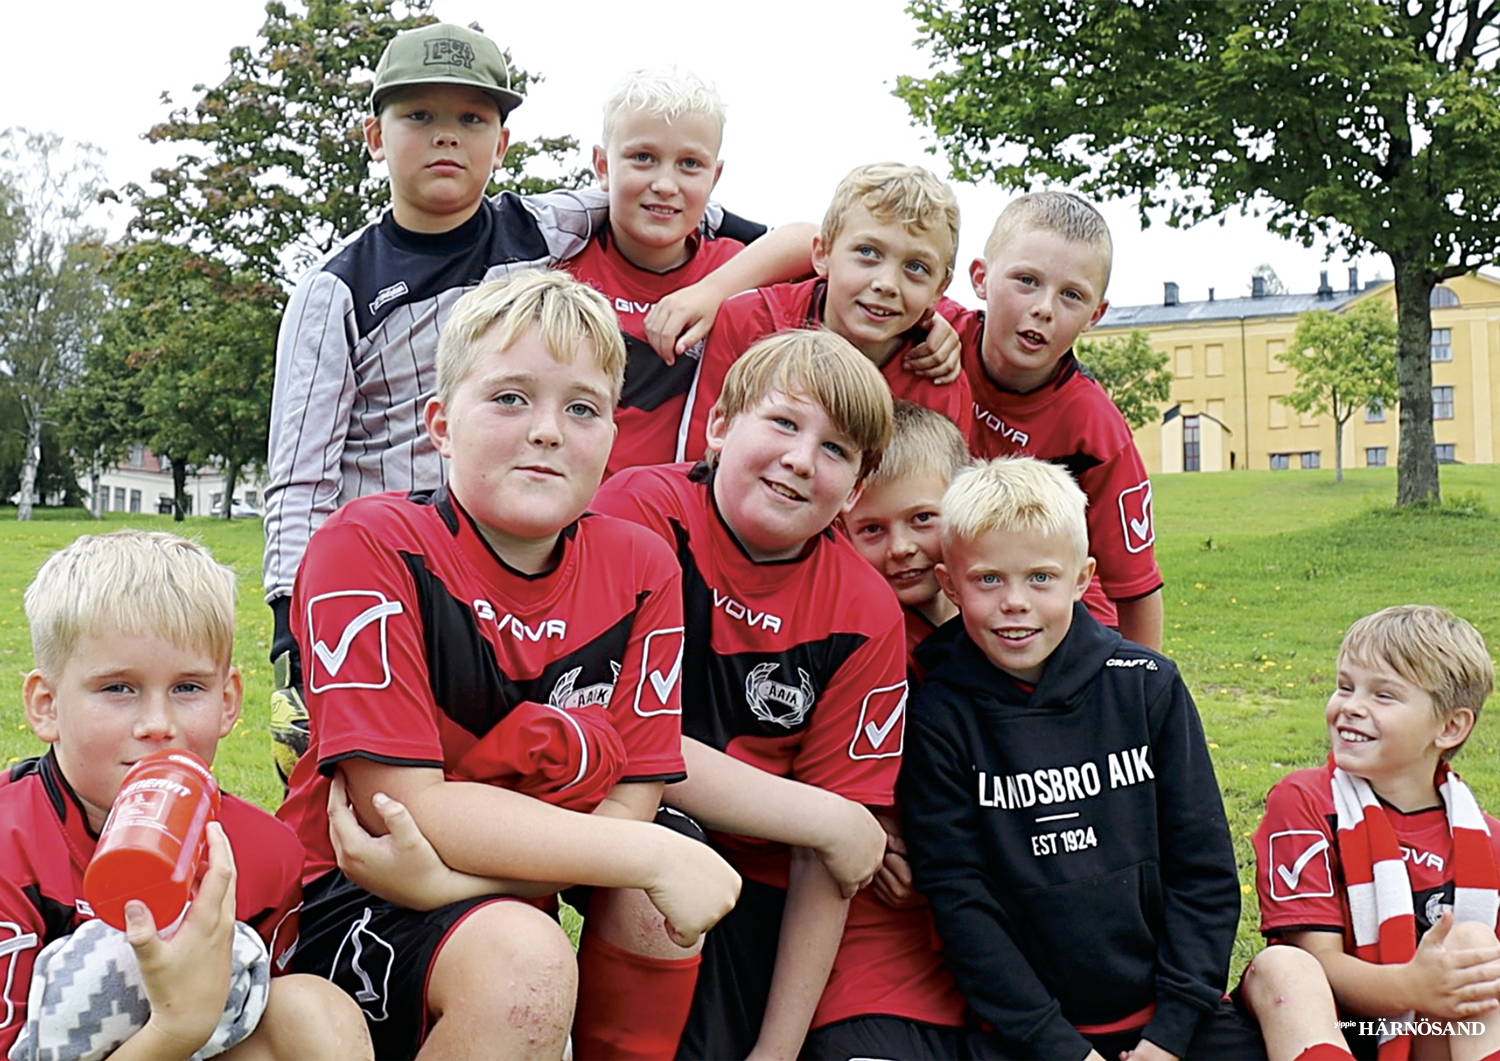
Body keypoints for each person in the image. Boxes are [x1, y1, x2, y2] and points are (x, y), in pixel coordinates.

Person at [262, 25, 786, 786]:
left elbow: (718, 218)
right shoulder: (336, 288)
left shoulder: (540, 226)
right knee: (373, 808)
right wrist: (293, 634)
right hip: (385, 576)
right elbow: (299, 474)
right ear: (375, 135)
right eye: (420, 117)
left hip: (499, 574)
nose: (448, 138)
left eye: (472, 120)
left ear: (502, 142)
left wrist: (711, 287)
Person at [274, 270, 740, 1060]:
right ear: (439, 424)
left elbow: (633, 803)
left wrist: (456, 886)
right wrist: (655, 854)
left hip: (473, 882)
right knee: (538, 951)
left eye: (582, 407)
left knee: (656, 889)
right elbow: (405, 812)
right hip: (356, 884)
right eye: (510, 398)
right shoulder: (369, 544)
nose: (548, 430)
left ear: (612, 439)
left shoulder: (643, 566)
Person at [592, 329, 905, 1060]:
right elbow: (617, 737)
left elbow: (826, 862)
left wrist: (777, 1049)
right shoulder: (642, 514)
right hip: (594, 811)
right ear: (720, 426)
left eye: (836, 450)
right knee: (658, 859)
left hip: (750, 874)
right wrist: (828, 816)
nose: (801, 459)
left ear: (856, 490)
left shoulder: (863, 612)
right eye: (784, 422)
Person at [901, 456, 1268, 1060]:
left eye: (1041, 578)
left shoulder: (1148, 687)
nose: (1014, 602)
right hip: (1026, 1035)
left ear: (1082, 577)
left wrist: (1170, 1035)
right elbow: (961, 903)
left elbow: (1203, 871)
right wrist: (1061, 1048)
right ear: (949, 584)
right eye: (988, 579)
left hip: (1171, 1022)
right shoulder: (940, 713)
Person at [2, 530, 371, 1061]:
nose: (158, 724)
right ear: (46, 706)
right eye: (117, 688)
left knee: (313, 1011)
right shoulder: (9, 846)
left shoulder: (267, 855)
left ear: (228, 702)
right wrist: (176, 1029)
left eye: (187, 688)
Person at [1254, 605, 1500, 1060]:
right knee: (1282, 965)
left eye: (1383, 695)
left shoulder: (1485, 840)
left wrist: (1434, 988)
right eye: (1345, 686)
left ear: (1449, 727)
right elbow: (1319, 962)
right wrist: (1411, 985)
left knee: (1476, 948)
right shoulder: (1304, 800)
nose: (1351, 706)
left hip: (1430, 1031)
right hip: (1337, 1019)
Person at [563, 67, 822, 477]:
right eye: (643, 158)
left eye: (689, 164)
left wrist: (931, 328)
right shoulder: (555, 264)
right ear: (602, 165)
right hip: (569, 513)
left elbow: (821, 247)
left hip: (687, 518)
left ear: (714, 176)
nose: (665, 184)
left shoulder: (739, 271)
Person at [944, 191, 1165, 649]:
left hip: (1061, 634)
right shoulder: (930, 338)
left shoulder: (1096, 430)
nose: (1044, 307)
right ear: (980, 279)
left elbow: (1136, 588)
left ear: (1095, 315)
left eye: (1071, 295)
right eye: (1026, 280)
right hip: (955, 601)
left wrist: (1141, 696)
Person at [677, 162, 969, 464]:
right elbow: (698, 460)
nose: (886, 284)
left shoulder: (940, 382)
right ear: (822, 254)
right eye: (868, 252)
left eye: (916, 267)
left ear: (939, 289)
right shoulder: (748, 321)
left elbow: (938, 501)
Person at [842, 399, 969, 682]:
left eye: (922, 518)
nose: (900, 548)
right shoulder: (862, 640)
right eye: (873, 529)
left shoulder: (1000, 600)